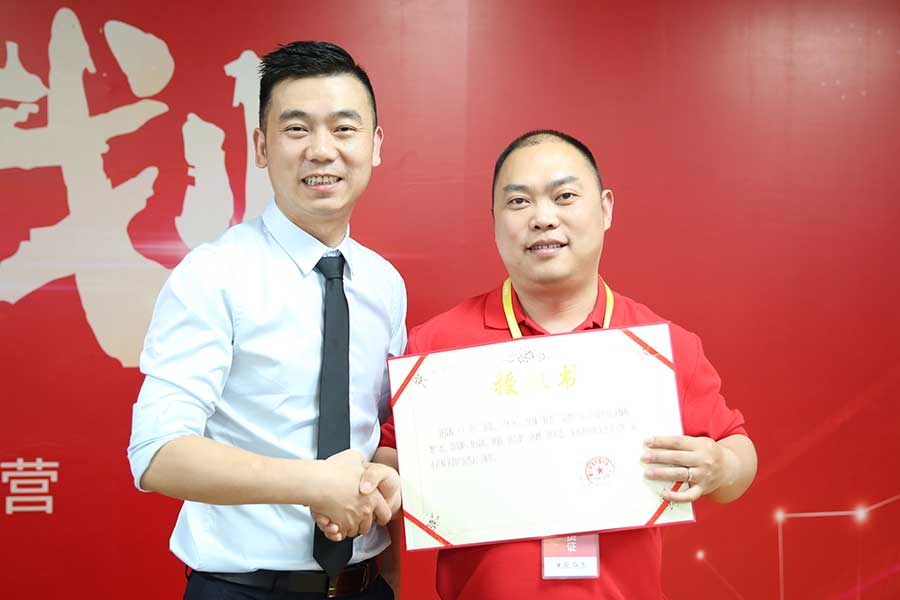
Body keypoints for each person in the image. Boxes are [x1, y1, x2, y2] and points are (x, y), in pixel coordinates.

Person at [321, 129, 758, 599]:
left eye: (564, 196)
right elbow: (392, 456)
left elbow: (738, 453)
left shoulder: (660, 348)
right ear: (494, 221)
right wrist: (382, 479)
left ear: (606, 209)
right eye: (519, 202)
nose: (543, 218)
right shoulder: (437, 347)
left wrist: (720, 466)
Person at [127, 41, 405, 600]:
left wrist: (385, 474)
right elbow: (158, 452)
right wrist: (313, 484)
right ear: (261, 146)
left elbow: (375, 432)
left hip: (363, 584)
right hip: (244, 589)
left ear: (375, 145)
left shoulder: (384, 283)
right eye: (297, 129)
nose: (321, 150)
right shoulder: (214, 275)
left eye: (344, 129)